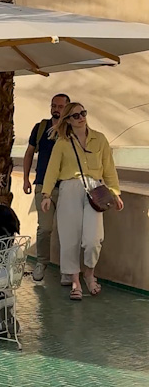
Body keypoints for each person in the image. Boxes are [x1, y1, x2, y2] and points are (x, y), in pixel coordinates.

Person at [42, 102, 123, 301]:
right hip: (69, 188)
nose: (81, 118)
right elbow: (52, 170)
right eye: (76, 115)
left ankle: (89, 272)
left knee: (93, 240)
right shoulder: (62, 142)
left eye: (83, 113)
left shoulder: (100, 139)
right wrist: (46, 194)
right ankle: (75, 281)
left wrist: (115, 193)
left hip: (95, 190)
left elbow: (109, 168)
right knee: (69, 238)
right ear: (68, 120)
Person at [22, 92, 70, 282]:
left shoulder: (71, 130)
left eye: (59, 106)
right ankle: (41, 263)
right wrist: (26, 178)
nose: (55, 109)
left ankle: (68, 269)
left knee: (68, 229)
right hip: (43, 186)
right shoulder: (41, 128)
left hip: (66, 185)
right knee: (44, 229)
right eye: (53, 105)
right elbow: (29, 153)